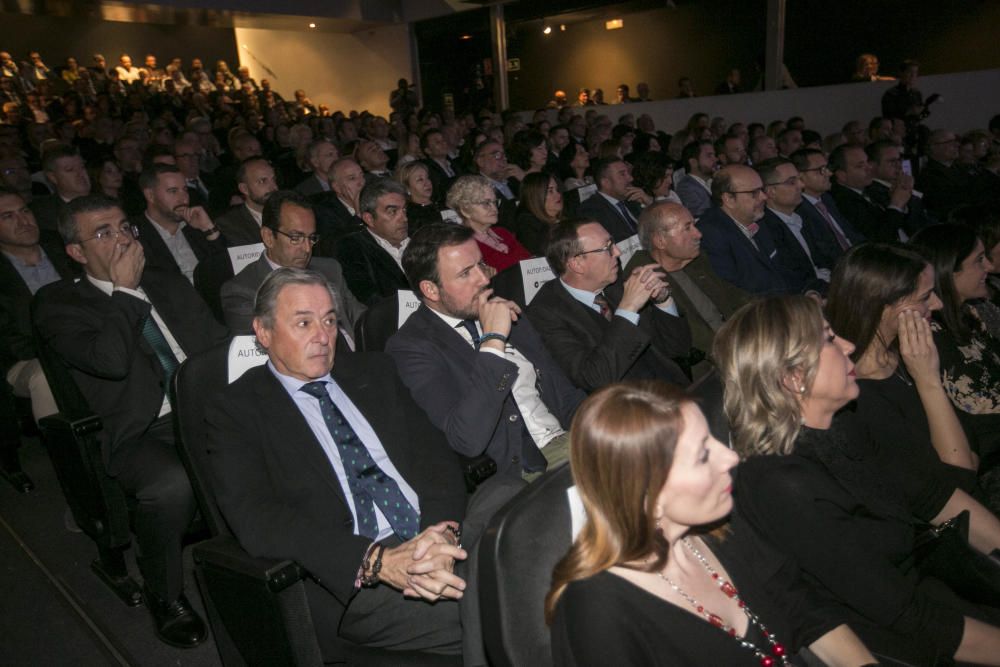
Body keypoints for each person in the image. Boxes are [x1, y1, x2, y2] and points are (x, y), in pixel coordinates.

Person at [716, 295, 1000, 665]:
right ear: (794, 377)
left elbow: (933, 495)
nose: (849, 345)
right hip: (901, 642)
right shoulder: (782, 484)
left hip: (935, 587)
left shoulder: (842, 420)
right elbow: (906, 616)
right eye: (830, 339)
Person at [206, 267, 468, 662]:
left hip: (435, 536)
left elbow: (434, 457)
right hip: (352, 575)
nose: (323, 335)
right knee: (501, 614)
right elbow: (257, 518)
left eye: (329, 320)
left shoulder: (374, 371)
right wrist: (376, 562)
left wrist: (443, 533)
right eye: (303, 322)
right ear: (263, 332)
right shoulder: (235, 410)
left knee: (543, 570)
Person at [547, 380, 876, 666]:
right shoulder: (596, 615)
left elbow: (802, 609)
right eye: (703, 454)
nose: (730, 458)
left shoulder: (717, 527)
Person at [34, 194, 229, 648]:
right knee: (170, 484)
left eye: (125, 227)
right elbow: (109, 361)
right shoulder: (60, 305)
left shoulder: (167, 282)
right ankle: (164, 593)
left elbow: (214, 344)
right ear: (76, 253)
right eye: (104, 233)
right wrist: (124, 292)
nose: (122, 238)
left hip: (202, 408)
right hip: (140, 428)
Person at [386, 222, 584, 480]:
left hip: (570, 442)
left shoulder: (502, 310)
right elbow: (467, 438)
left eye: (481, 264)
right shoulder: (412, 348)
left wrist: (608, 423)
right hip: (523, 471)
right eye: (465, 273)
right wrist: (493, 341)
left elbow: (564, 394)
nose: (484, 278)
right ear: (431, 289)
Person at [825, 243, 993, 510]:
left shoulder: (909, 353)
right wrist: (928, 382)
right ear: (884, 306)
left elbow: (970, 445)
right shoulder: (855, 395)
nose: (937, 304)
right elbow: (959, 478)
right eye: (925, 297)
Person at [527, 218, 691, 390]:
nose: (618, 252)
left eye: (613, 243)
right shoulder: (545, 314)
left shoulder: (614, 283)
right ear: (577, 264)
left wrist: (663, 301)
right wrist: (628, 308)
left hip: (675, 389)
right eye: (607, 248)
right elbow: (594, 378)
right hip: (631, 410)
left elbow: (679, 348)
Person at [221, 190, 363, 339]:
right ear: (268, 237)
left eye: (311, 238)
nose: (307, 248)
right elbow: (265, 349)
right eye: (296, 238)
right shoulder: (241, 292)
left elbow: (363, 320)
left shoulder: (329, 269)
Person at [625, 201, 749, 366]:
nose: (698, 234)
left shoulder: (695, 260)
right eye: (687, 228)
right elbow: (692, 343)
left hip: (737, 343)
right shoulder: (643, 282)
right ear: (660, 241)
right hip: (709, 368)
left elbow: (735, 296)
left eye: (694, 225)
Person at [910, 224, 1000, 427]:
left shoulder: (972, 312)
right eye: (979, 260)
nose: (989, 266)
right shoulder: (929, 334)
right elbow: (978, 407)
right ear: (949, 270)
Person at [131, 164, 226, 283]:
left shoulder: (196, 224)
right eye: (173, 191)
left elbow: (227, 267)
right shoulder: (136, 235)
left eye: (185, 190)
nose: (184, 198)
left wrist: (209, 229)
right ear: (150, 195)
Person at [334, 178, 413, 306]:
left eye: (404, 210)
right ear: (369, 219)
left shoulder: (419, 238)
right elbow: (369, 299)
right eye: (392, 212)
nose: (404, 218)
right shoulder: (352, 247)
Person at [446, 175, 531, 273]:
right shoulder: (463, 245)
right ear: (465, 210)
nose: (494, 208)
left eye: (494, 202)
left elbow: (531, 264)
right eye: (486, 203)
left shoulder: (503, 233)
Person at [575, 158, 649, 243]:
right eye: (622, 174)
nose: (631, 178)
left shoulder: (632, 199)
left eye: (628, 173)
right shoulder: (591, 209)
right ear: (606, 183)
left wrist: (649, 204)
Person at [214, 156, 279, 246]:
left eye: (273, 179)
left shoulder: (290, 211)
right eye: (262, 181)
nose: (274, 187)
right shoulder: (230, 224)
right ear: (244, 189)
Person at [514, 172, 562, 256]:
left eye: (557, 190)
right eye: (550, 191)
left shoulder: (564, 215)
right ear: (536, 196)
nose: (558, 195)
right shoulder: (528, 224)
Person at [396, 160, 443, 235]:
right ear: (407, 188)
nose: (427, 183)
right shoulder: (412, 217)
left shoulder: (441, 202)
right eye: (420, 180)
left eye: (427, 178)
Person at [675, 140, 717, 218]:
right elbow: (702, 216)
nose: (715, 159)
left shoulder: (714, 180)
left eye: (714, 155)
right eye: (709, 156)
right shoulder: (685, 188)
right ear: (693, 162)